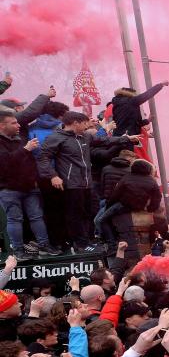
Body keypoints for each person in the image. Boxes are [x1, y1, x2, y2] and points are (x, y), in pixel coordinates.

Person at [36, 111, 140, 252]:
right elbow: (43, 158)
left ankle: (88, 241)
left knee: (89, 212)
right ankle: (80, 244)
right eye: (85, 123)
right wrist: (53, 175)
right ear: (75, 123)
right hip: (70, 183)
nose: (87, 126)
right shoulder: (56, 137)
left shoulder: (85, 136)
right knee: (75, 215)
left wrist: (126, 139)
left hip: (87, 182)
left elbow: (104, 141)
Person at [0, 110, 60, 257]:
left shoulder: (20, 139)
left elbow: (31, 161)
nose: (18, 125)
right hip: (9, 189)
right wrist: (26, 150)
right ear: (2, 125)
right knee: (15, 219)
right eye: (13, 123)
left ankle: (44, 246)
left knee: (37, 217)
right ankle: (18, 251)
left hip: (30, 186)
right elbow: (5, 164)